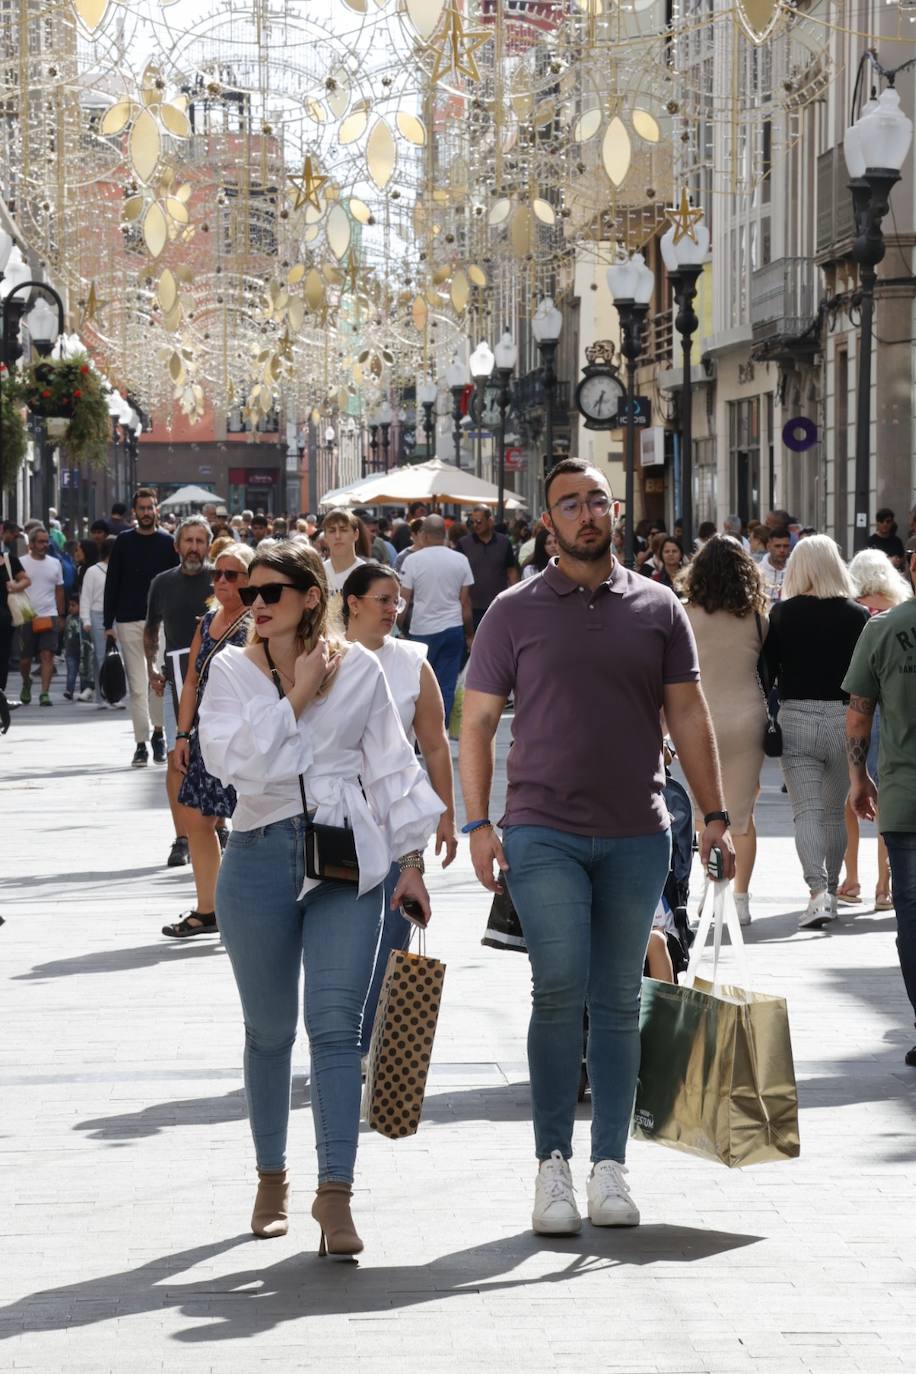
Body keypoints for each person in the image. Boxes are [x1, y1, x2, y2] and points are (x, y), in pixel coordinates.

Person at [459, 458, 735, 1236]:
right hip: (541, 828)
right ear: (547, 522)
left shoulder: (657, 607)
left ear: (615, 513)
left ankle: (609, 1165)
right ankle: (552, 1165)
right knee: (560, 988)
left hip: (639, 831)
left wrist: (715, 815)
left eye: (597, 502)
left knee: (618, 1002)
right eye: (569, 504)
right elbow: (475, 723)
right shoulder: (513, 611)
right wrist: (477, 823)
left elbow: (687, 712)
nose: (586, 514)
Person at [198, 541, 443, 1254]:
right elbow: (238, 763)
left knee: (336, 1031)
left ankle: (335, 1195)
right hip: (256, 857)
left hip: (345, 861)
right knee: (269, 1032)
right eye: (250, 593)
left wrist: (411, 860)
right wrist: (300, 691)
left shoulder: (361, 668)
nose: (257, 605)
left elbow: (393, 764)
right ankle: (272, 1177)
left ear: (312, 596)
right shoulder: (229, 673)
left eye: (273, 592)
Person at [340, 562, 458, 1050]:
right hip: (337, 815)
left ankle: (370, 1045)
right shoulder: (324, 657)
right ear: (353, 602)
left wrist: (447, 814)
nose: (393, 609)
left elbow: (434, 745)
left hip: (397, 817)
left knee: (392, 931)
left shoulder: (412, 660)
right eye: (383, 600)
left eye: (397, 601)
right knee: (340, 939)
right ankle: (340, 1040)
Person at [761, 535, 870, 929]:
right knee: (833, 814)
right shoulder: (857, 615)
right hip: (845, 720)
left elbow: (767, 674)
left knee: (805, 811)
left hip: (798, 719)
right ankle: (834, 888)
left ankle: (817, 891)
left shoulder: (783, 615)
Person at [843, 547, 916, 1066]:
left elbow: (858, 718)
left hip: (905, 795)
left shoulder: (883, 629)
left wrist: (858, 780)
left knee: (911, 912)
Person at [164, 543, 255, 937]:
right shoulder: (206, 623)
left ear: (250, 581)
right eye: (217, 574)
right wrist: (183, 734)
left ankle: (250, 910)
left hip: (247, 739)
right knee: (199, 822)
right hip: (206, 736)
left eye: (231, 575)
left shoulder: (258, 623)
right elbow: (190, 681)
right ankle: (209, 909)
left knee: (251, 825)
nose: (221, 581)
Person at [680, 536, 769, 925]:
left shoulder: (681, 614)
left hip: (699, 719)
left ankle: (711, 892)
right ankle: (742, 898)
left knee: (706, 813)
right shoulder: (757, 620)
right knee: (743, 814)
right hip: (748, 718)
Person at [836, 550, 913, 910]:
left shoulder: (872, 619)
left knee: (871, 801)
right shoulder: (896, 608)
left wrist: (857, 776)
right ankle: (884, 885)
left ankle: (855, 879)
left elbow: (858, 713)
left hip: (903, 783)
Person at [145, 516, 214, 867]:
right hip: (175, 681)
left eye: (200, 541)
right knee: (177, 758)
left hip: (218, 682)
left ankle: (218, 822)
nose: (194, 548)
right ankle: (181, 837)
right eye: (188, 540)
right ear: (177, 546)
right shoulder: (162, 583)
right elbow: (150, 629)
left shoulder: (222, 578)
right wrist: (152, 669)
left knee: (217, 755)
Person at [104, 489, 180, 766]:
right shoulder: (124, 542)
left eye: (150, 507)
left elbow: (177, 580)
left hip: (160, 621)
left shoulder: (168, 542)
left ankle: (158, 735)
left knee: (157, 682)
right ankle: (140, 743)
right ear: (134, 512)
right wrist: (107, 623)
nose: (146, 512)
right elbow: (113, 581)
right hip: (128, 620)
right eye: (142, 508)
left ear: (156, 510)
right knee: (137, 686)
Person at [399, 514, 474, 727]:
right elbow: (465, 603)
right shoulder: (461, 560)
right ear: (445, 534)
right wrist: (470, 634)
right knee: (446, 684)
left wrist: (398, 628)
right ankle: (441, 728)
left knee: (418, 685)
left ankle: (421, 733)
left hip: (422, 630)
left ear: (423, 534)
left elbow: (404, 600)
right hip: (453, 627)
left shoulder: (412, 561)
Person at [18, 526, 64, 706]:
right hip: (26, 616)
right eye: (41, 541)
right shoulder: (21, 562)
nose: (45, 545)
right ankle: (26, 682)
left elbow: (59, 590)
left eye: (47, 541)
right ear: (31, 544)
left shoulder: (55, 563)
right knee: (24, 659)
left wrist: (61, 615)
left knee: (47, 655)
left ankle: (44, 693)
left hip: (49, 614)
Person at [459, 506, 519, 631]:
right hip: (472, 607)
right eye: (472, 522)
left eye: (479, 522)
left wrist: (516, 595)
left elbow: (511, 570)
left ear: (490, 521)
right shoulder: (463, 543)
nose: (475, 525)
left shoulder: (504, 542)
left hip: (499, 605)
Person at [80, 535, 116, 706]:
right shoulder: (93, 571)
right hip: (96, 615)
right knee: (101, 656)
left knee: (113, 656)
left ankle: (107, 695)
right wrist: (86, 619)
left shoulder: (119, 569)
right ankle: (106, 696)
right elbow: (85, 597)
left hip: (116, 617)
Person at [1, 523, 29, 697]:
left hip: (4, 616)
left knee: (3, 655)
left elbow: (26, 580)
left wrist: (15, 587)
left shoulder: (9, 559)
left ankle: (1, 693)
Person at [321, 507, 370, 596]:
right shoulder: (318, 573)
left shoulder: (367, 574)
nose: (337, 536)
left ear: (356, 534)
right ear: (325, 537)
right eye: (332, 531)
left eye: (343, 530)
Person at [758, 525, 791, 605]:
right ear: (768, 547)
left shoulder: (796, 569)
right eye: (777, 546)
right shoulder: (758, 570)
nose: (782, 550)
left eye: (785, 546)